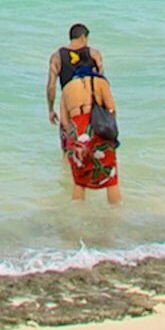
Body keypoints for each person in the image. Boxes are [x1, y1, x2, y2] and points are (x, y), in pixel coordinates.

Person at [53, 27, 123, 204]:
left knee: (80, 180)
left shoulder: (67, 89)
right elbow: (112, 109)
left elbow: (64, 122)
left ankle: (78, 217)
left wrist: (74, 139)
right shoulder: (99, 82)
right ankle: (116, 217)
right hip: (97, 130)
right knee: (110, 178)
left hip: (77, 133)